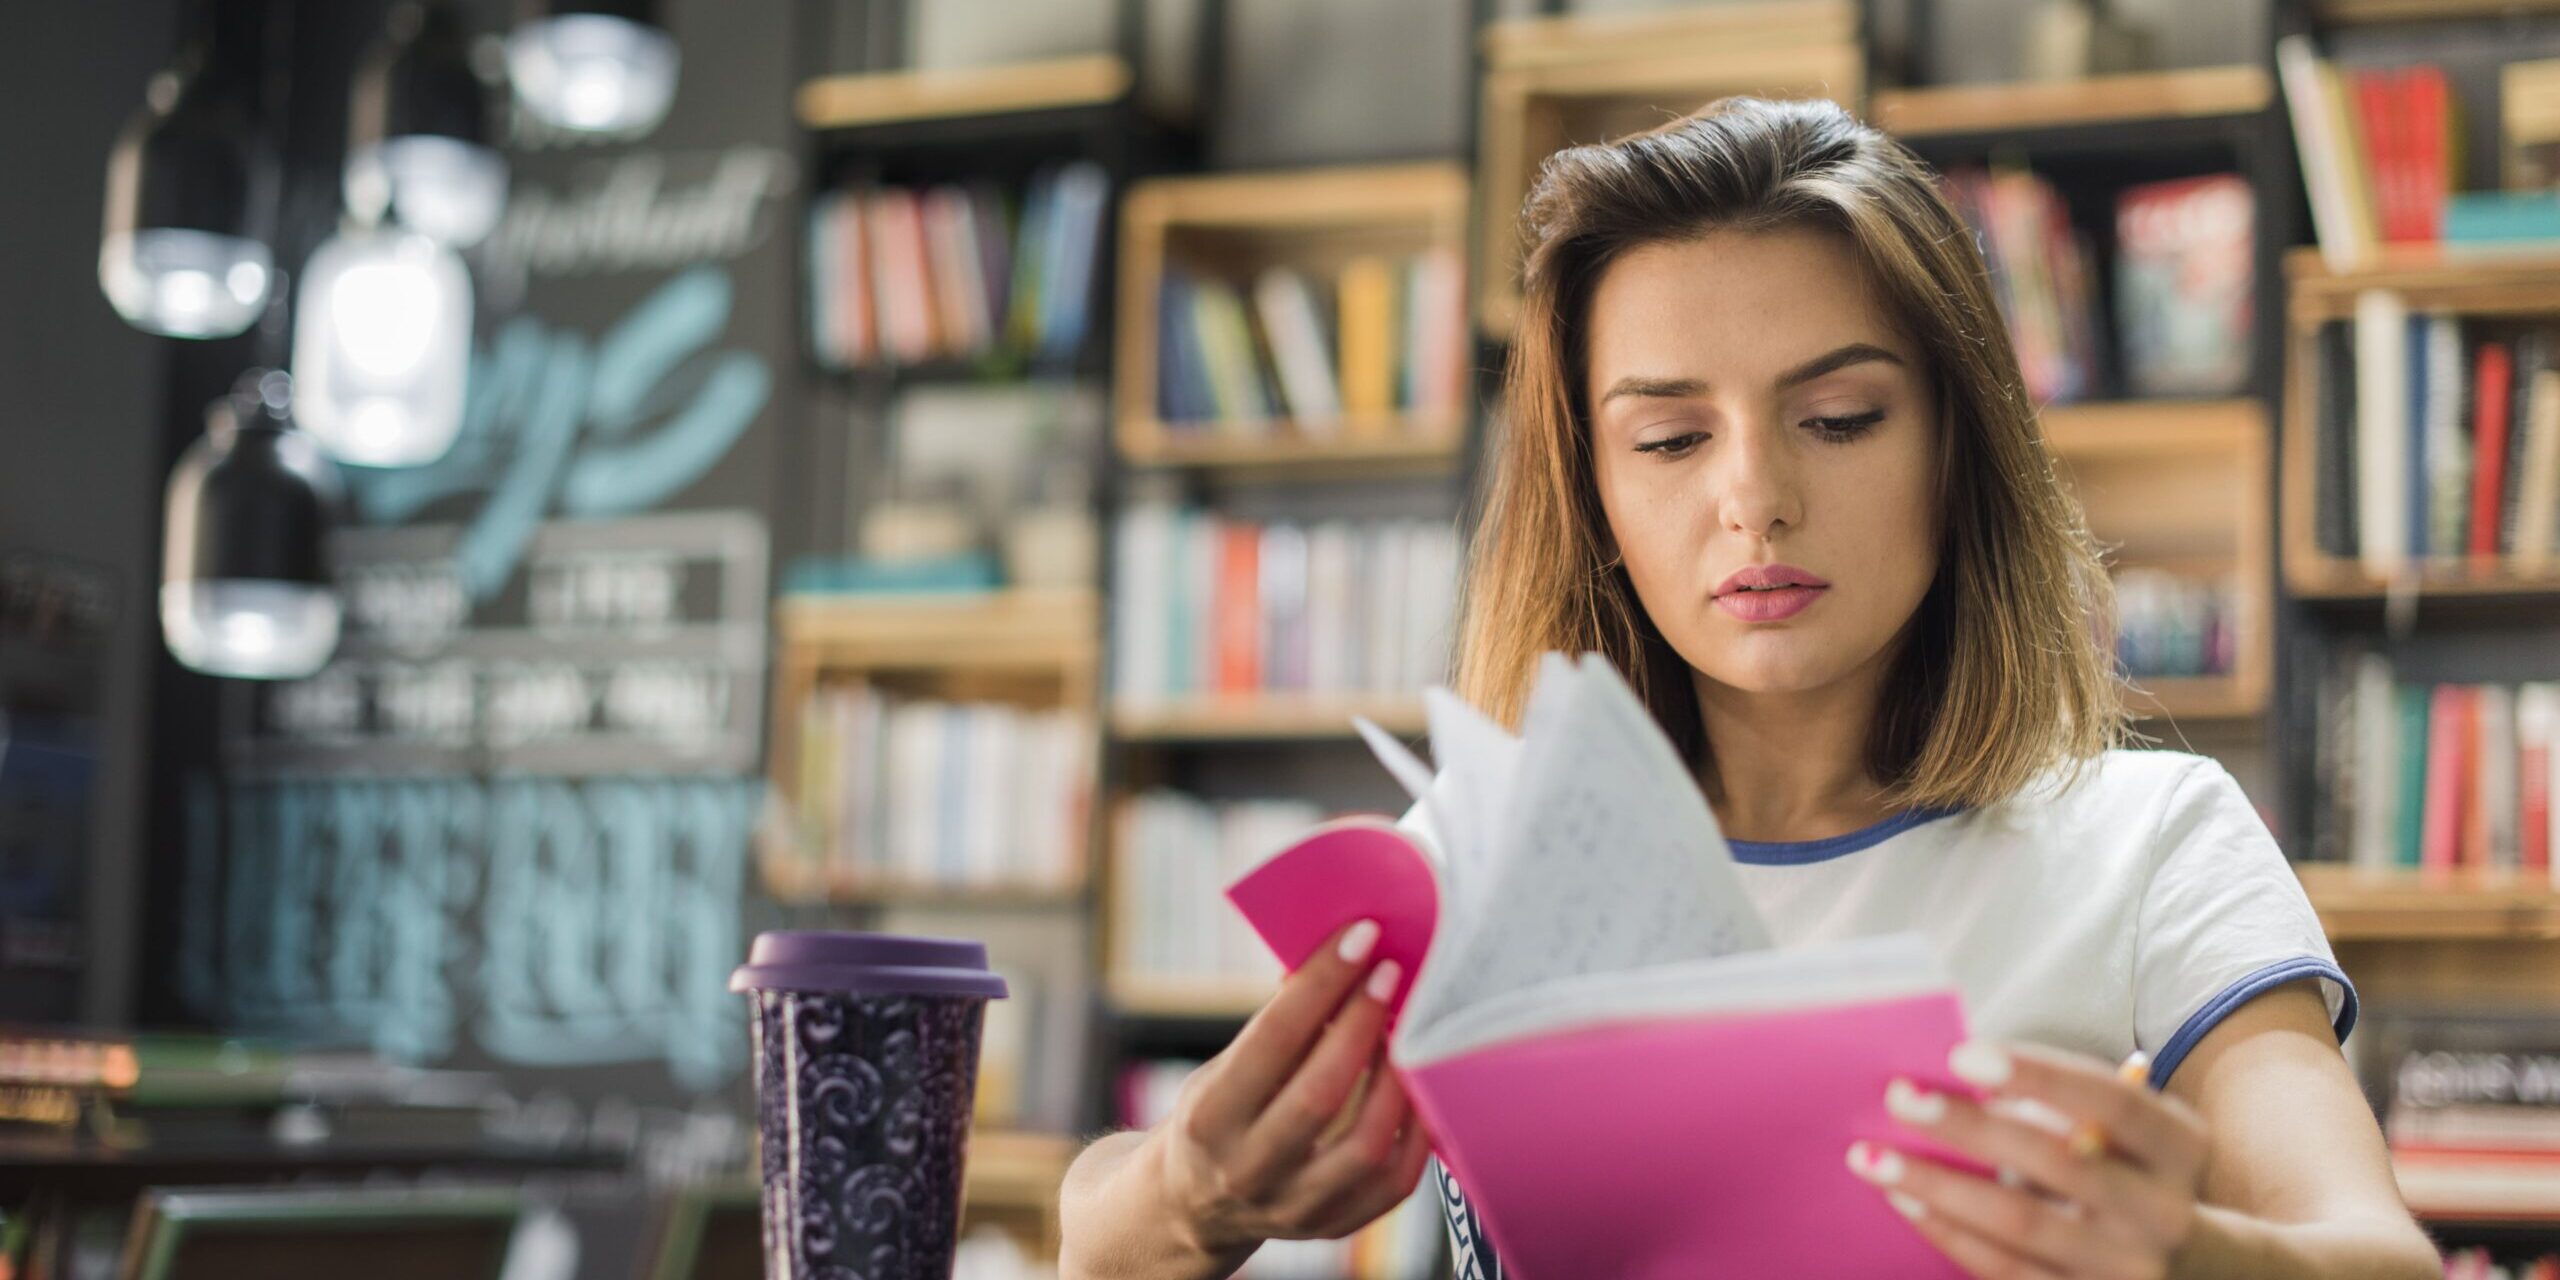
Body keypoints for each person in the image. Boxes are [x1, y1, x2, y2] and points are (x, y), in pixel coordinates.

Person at [1058, 96, 2440, 1279]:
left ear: (1958, 447)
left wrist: (2186, 1250)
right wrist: (1191, 1194)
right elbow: (1094, 1227)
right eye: (1667, 438)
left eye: (1838, 420)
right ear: (1591, 488)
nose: (1755, 501)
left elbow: (2375, 1252)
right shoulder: (1480, 857)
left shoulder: (2151, 841)